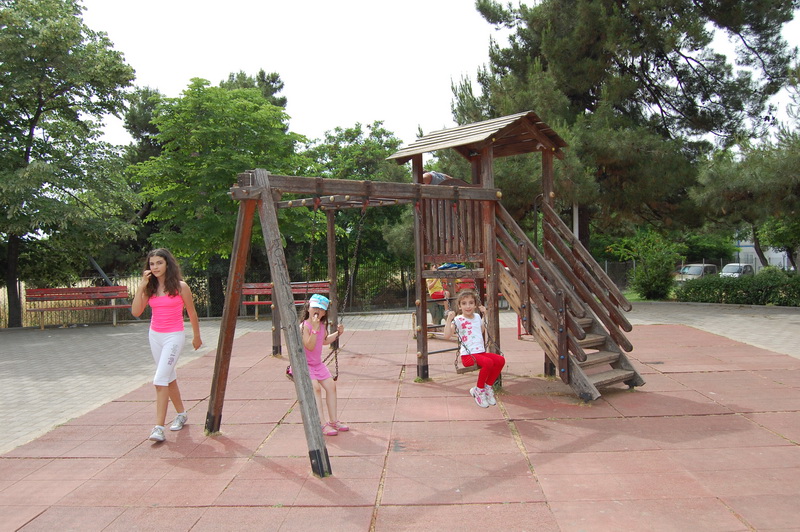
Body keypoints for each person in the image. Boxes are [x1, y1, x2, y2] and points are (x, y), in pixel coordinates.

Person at [131, 248, 202, 443]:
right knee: (168, 378)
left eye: (159, 263)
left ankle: (158, 428)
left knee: (159, 379)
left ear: (167, 264)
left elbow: (192, 312)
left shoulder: (180, 287)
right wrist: (141, 286)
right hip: (155, 336)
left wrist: (197, 336)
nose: (155, 267)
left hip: (174, 337)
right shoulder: (150, 288)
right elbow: (136, 312)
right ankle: (182, 414)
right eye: (152, 264)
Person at [443, 289, 505, 408]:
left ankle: (487, 387)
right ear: (459, 306)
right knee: (488, 362)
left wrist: (485, 315)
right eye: (464, 303)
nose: (468, 306)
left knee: (500, 360)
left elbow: (480, 330)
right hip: (468, 356)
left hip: (480, 353)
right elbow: (447, 335)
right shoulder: (458, 319)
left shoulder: (477, 316)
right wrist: (449, 319)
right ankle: (479, 390)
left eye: (471, 303)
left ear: (475, 305)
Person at [300, 294, 348, 436]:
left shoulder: (321, 325)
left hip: (317, 364)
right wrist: (314, 329)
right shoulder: (304, 326)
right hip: (306, 365)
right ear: (308, 308)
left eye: (321, 310)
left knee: (331, 386)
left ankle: (333, 421)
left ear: (324, 313)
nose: (317, 311)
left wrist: (338, 334)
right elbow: (309, 345)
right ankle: (321, 423)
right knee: (315, 389)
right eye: (315, 308)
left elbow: (324, 340)